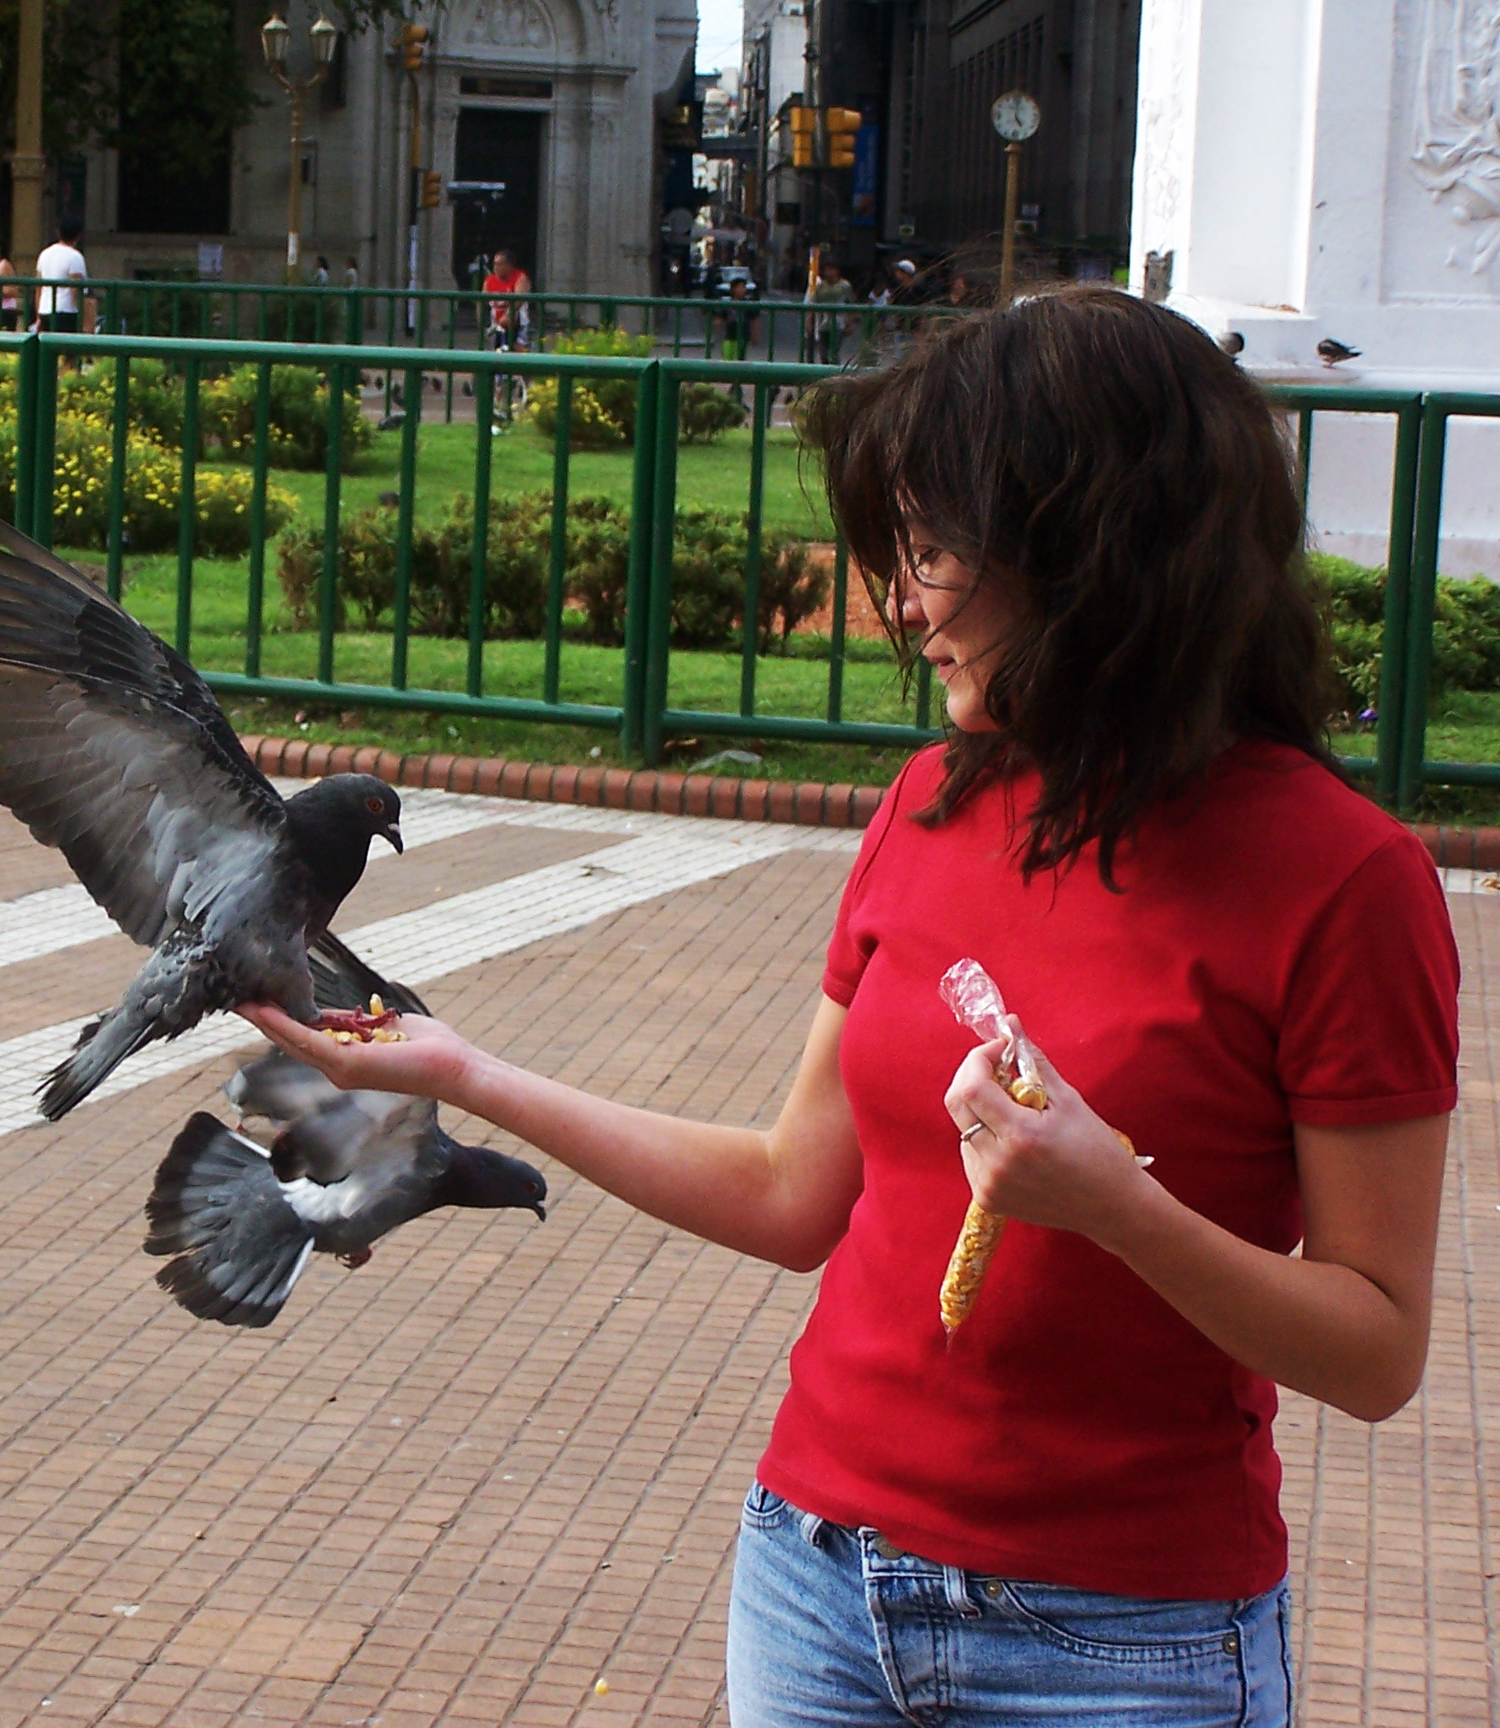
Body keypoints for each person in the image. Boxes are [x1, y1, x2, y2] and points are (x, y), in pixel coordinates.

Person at [244, 287, 1458, 1726]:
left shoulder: (1344, 882)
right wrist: (470, 1073)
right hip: (823, 1580)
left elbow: (1376, 1350)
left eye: (936, 551)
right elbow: (790, 1191)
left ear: (1095, 555)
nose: (900, 601)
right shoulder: (928, 810)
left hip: (1123, 1643)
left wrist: (1120, 1209)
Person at [34, 217, 92, 333]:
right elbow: (75, 290)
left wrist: (38, 316)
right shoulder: (75, 257)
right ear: (79, 235)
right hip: (66, 311)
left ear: (58, 232)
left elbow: (39, 287)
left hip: (45, 309)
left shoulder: (44, 254)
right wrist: (86, 320)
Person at [805, 255, 856, 362]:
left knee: (833, 352)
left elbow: (851, 304)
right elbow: (813, 304)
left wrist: (850, 324)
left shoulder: (844, 286)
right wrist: (810, 322)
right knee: (823, 353)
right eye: (826, 270)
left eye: (831, 270)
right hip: (823, 324)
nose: (828, 273)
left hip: (838, 323)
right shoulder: (821, 287)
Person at [482, 247, 532, 352]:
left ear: (509, 265)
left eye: (500, 264)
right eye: (495, 264)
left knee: (518, 349)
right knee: (498, 350)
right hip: (496, 323)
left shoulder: (520, 278)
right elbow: (482, 300)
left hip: (518, 323)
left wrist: (508, 315)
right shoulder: (489, 280)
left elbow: (519, 299)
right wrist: (482, 321)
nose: (496, 267)